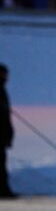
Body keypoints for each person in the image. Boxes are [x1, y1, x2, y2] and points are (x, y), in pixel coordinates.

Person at [0, 64, 14, 198]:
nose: (6, 77)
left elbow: (6, 117)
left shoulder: (2, 90)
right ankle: (3, 191)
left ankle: (4, 190)